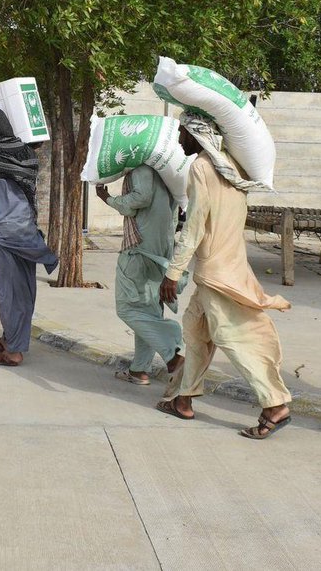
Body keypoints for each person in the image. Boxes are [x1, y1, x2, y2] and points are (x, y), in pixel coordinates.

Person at [157, 126, 293, 439]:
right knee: (194, 331)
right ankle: (184, 398)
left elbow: (194, 228)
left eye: (182, 131)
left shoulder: (202, 167)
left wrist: (173, 273)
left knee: (234, 337)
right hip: (229, 265)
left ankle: (275, 405)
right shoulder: (234, 167)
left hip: (216, 272)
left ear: (196, 132)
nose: (178, 138)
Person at [0, 107, 58, 367]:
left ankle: (14, 351)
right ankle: (10, 338)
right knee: (24, 288)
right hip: (25, 229)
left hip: (0, 230)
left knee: (7, 290)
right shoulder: (27, 152)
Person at [95, 164, 184, 385]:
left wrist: (108, 198)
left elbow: (141, 199)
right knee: (147, 311)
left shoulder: (143, 168)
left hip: (138, 251)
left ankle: (172, 354)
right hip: (159, 252)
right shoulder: (168, 169)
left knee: (127, 308)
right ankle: (139, 370)